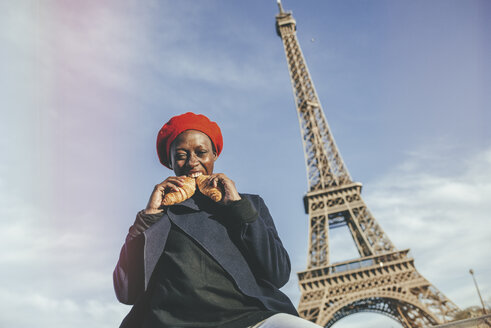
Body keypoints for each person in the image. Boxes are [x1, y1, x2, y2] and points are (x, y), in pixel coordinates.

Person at [114, 112, 322, 328]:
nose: (192, 162)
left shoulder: (247, 205)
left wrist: (239, 207)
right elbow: (126, 291)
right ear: (171, 162)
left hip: (251, 320)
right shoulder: (157, 217)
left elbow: (278, 274)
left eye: (201, 152)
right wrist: (148, 217)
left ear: (214, 154)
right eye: (181, 155)